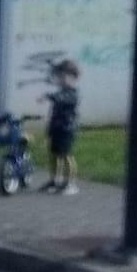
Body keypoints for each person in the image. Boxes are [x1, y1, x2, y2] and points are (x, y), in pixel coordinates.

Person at [43, 58, 81, 195]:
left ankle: (70, 183)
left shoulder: (73, 93)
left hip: (67, 129)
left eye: (64, 76)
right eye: (59, 76)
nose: (61, 79)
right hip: (56, 128)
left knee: (66, 155)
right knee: (54, 155)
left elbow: (62, 98)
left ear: (74, 77)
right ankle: (54, 180)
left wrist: (49, 96)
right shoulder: (61, 91)